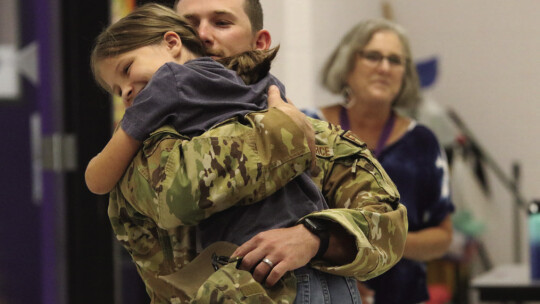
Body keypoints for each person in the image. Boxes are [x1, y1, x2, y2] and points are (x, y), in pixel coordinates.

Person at [99, 1, 408, 303]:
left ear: (259, 43)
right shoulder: (147, 145)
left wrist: (315, 236)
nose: (204, 35)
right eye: (190, 25)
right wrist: (278, 132)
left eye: (222, 22)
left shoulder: (319, 137)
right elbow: (177, 194)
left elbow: (389, 227)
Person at [316, 19, 455, 304]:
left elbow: (443, 236)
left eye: (395, 60)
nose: (384, 68)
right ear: (347, 62)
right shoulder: (310, 128)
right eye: (373, 56)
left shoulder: (423, 142)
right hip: (323, 293)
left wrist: (380, 244)